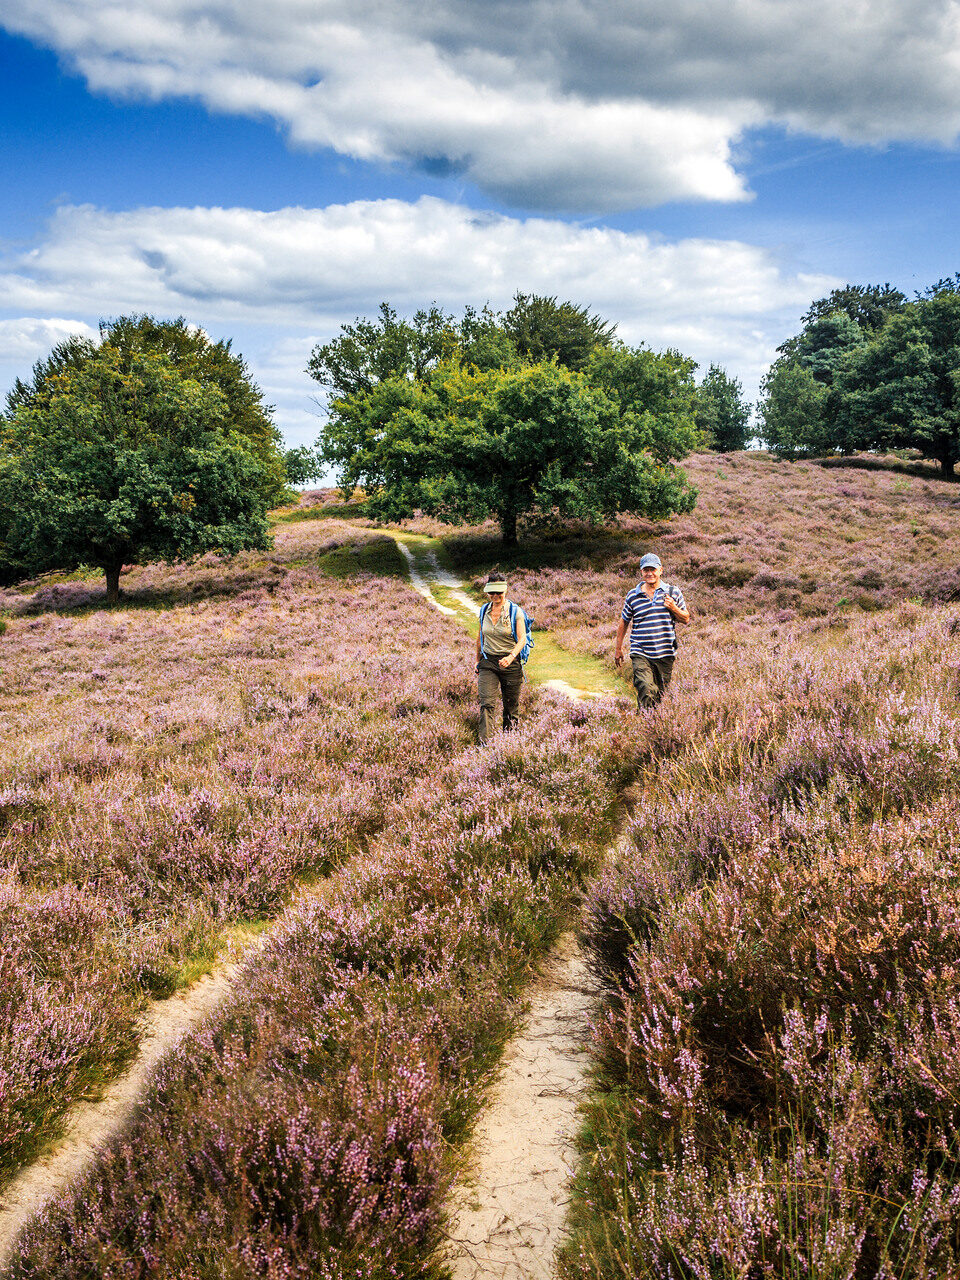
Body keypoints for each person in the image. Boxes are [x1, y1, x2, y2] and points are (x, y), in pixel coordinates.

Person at [614, 552, 690, 709]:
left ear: (661, 570)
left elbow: (685, 618)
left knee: (660, 695)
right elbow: (624, 621)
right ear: (641, 572)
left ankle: (651, 725)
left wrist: (673, 607)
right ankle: (646, 722)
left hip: (666, 653)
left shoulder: (673, 592)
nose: (649, 573)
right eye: (645, 570)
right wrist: (618, 649)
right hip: (640, 652)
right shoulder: (633, 595)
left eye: (653, 569)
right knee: (646, 688)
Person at [476, 576, 527, 744]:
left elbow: (522, 639)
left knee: (511, 707)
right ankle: (485, 745)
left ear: (505, 591)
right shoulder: (484, 610)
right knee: (487, 703)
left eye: (499, 592)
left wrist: (511, 656)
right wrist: (477, 660)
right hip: (488, 662)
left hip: (510, 663)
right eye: (491, 592)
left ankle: (509, 744)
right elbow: (479, 637)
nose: (495, 595)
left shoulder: (515, 611)